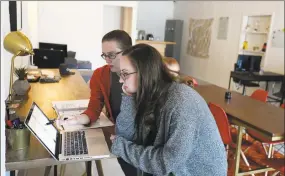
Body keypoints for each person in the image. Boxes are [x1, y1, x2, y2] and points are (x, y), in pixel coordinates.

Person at [110, 44, 227, 176]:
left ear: (145, 73)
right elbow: (124, 136)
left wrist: (122, 147)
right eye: (120, 74)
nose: (120, 80)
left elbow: (165, 163)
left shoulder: (181, 101)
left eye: (125, 74)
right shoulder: (150, 94)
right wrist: (128, 97)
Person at [57, 30, 137, 175]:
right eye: (104, 55)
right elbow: (94, 108)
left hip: (142, 143)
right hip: (120, 139)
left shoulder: (143, 75)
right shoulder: (100, 75)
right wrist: (76, 120)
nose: (107, 60)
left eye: (112, 55)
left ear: (129, 52)